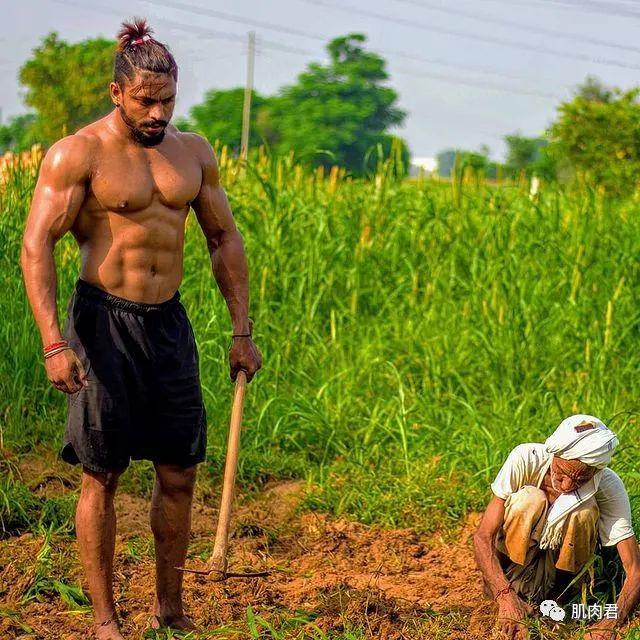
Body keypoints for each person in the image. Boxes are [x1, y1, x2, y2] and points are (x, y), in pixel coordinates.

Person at [20, 18, 262, 640]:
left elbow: (223, 237)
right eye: (145, 100)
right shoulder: (79, 153)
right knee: (102, 472)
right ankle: (105, 620)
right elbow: (37, 245)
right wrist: (54, 341)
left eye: (167, 100)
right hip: (102, 323)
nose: (157, 112)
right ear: (116, 92)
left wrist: (242, 330)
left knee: (180, 471)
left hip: (168, 325)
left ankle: (171, 610)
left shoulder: (194, 152)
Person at [474, 414, 640, 640]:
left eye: (581, 480)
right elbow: (483, 536)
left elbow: (635, 571)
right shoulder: (526, 458)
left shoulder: (608, 485)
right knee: (529, 499)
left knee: (583, 510)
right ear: (555, 452)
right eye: (562, 473)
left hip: (559, 582)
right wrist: (505, 597)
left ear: (596, 471)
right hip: (511, 578)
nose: (568, 486)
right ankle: (509, 593)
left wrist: (611, 620)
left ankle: (557, 601)